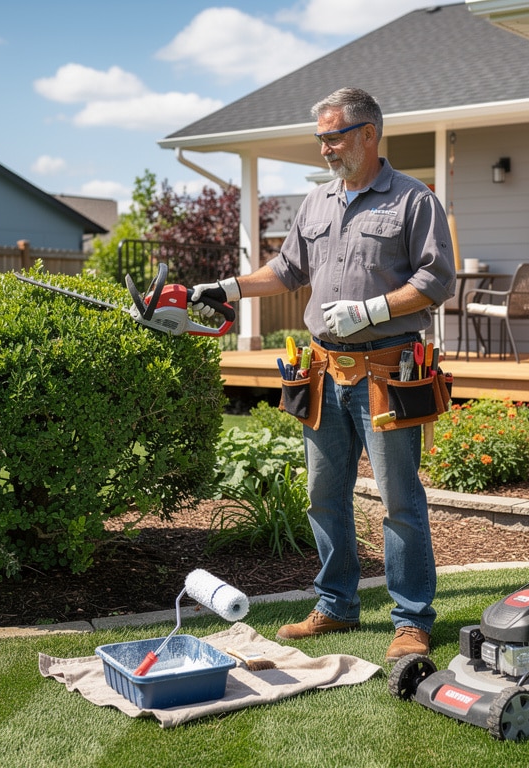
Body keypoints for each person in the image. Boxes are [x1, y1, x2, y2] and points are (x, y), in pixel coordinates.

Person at [190, 88, 455, 661]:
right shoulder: (317, 202)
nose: (325, 148)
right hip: (322, 372)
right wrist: (229, 287)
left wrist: (372, 310)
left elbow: (438, 280)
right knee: (322, 496)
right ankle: (336, 604)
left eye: (334, 136)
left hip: (387, 372)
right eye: (320, 138)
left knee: (398, 501)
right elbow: (287, 270)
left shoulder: (413, 200)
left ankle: (412, 619)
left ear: (368, 134)